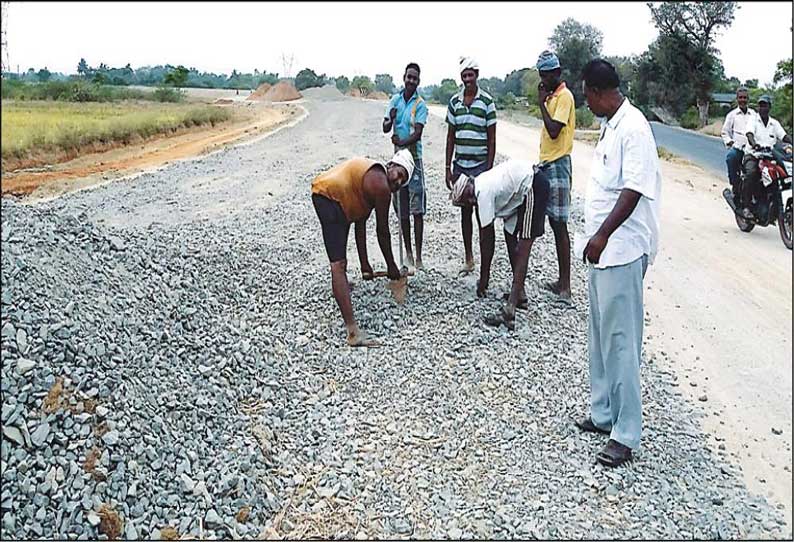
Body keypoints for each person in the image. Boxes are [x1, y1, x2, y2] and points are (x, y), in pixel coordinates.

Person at [574, 59, 661, 468]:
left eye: (587, 95)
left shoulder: (634, 128)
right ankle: (603, 412)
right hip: (602, 253)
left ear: (596, 91)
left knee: (622, 342)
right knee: (600, 336)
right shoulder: (611, 125)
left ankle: (626, 434)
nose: (587, 102)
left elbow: (633, 191)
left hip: (622, 251)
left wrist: (603, 234)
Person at [311, 150, 414, 346]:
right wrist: (392, 267)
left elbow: (361, 223)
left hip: (330, 196)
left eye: (403, 182)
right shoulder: (381, 184)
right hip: (328, 197)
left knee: (340, 262)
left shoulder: (370, 180)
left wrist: (365, 266)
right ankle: (352, 333)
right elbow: (382, 231)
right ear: (391, 166)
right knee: (338, 265)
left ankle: (342, 287)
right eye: (400, 174)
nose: (398, 182)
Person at [449, 160, 550, 330]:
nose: (470, 205)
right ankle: (520, 296)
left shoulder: (482, 191)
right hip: (518, 195)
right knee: (510, 237)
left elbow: (487, 240)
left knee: (523, 246)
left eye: (466, 202)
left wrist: (484, 278)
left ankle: (510, 310)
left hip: (533, 186)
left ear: (468, 194)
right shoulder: (481, 183)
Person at [445, 56, 497, 275]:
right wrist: (447, 167)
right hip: (460, 167)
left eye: (471, 75)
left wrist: (488, 169)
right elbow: (450, 137)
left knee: (483, 214)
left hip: (480, 167)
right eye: (464, 76)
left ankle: (486, 262)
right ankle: (469, 258)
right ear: (461, 77)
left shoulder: (487, 102)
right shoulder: (454, 102)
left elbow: (492, 139)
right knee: (465, 213)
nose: (468, 79)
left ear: (477, 74)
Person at [535, 50, 576, 304]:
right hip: (548, 163)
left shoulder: (564, 97)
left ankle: (566, 286)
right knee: (553, 223)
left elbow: (553, 131)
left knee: (560, 224)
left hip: (559, 164)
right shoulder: (553, 97)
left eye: (545, 75)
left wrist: (541, 103)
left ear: (556, 73)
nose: (542, 79)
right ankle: (561, 281)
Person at [383, 62, 429, 271]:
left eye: (415, 78)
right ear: (404, 77)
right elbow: (385, 128)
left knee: (417, 209)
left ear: (418, 81)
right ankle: (408, 253)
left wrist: (400, 143)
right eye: (409, 77)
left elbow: (418, 133)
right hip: (397, 162)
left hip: (414, 160)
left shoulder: (420, 105)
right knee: (401, 208)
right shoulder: (394, 100)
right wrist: (390, 119)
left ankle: (418, 255)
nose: (411, 81)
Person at [741, 95, 793, 219]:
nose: (762, 108)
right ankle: (746, 206)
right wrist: (754, 144)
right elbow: (749, 134)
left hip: (770, 157)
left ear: (770, 107)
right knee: (752, 173)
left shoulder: (774, 123)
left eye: (765, 105)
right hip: (754, 155)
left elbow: (784, 136)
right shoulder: (753, 120)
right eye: (761, 105)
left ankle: (773, 200)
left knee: (783, 174)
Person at [721, 86, 756, 204]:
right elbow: (725, 132)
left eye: (745, 98)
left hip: (752, 149)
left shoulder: (754, 115)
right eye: (740, 97)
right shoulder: (732, 115)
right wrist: (730, 142)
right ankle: (735, 186)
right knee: (730, 157)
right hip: (738, 147)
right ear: (737, 99)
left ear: (748, 99)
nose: (743, 100)